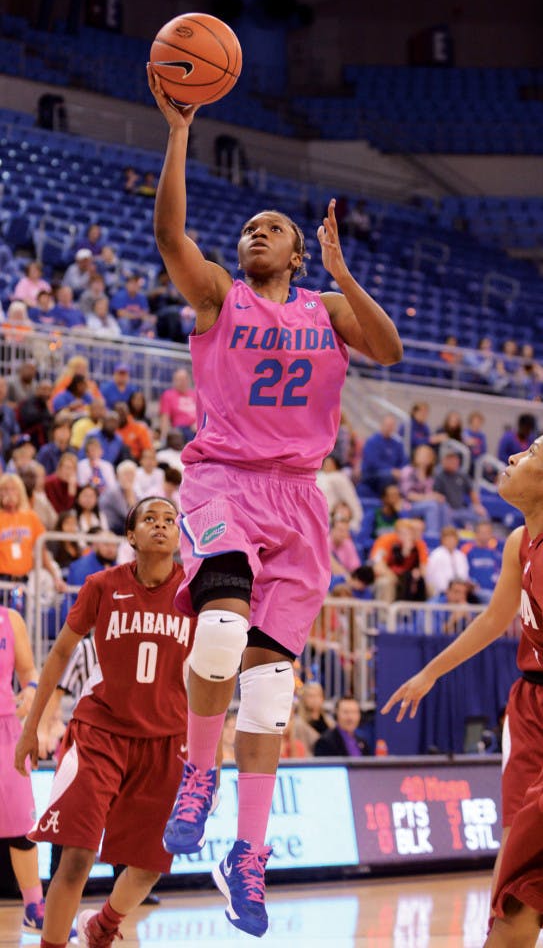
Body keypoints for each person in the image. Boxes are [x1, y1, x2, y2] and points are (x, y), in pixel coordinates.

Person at [147, 66, 402, 938]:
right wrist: (180, 131)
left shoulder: (325, 310)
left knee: (270, 696)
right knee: (217, 629)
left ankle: (244, 859)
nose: (256, 233)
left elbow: (390, 349)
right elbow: (170, 233)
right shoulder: (219, 296)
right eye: (249, 226)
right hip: (225, 479)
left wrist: (340, 272)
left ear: (295, 253)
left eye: (273, 229)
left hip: (298, 500)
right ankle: (195, 775)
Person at [380, 436, 543, 946]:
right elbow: (496, 619)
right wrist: (432, 671)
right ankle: (500, 932)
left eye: (534, 453)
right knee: (516, 843)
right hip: (530, 706)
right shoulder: (520, 541)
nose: (514, 457)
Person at [14, 497, 195, 948]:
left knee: (150, 866)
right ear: (130, 537)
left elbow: (221, 668)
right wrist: (30, 727)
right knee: (75, 857)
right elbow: (59, 654)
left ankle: (105, 924)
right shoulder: (101, 585)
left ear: (179, 535)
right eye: (149, 519)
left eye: (170, 520)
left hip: (166, 741)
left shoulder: (198, 592)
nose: (161, 526)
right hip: (100, 734)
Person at [1, 603, 74, 938]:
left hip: (7, 731)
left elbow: (30, 673)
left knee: (21, 822)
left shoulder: (10, 619)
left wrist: (29, 694)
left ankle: (34, 907)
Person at [360, 414, 407, 496]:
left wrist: (400, 471)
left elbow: (403, 460)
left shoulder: (397, 444)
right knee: (387, 476)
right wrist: (391, 470)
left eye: (391, 425)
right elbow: (372, 463)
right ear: (382, 425)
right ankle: (384, 500)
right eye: (387, 425)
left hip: (393, 474)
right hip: (372, 474)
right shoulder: (372, 441)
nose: (389, 428)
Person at [425, 525, 470, 597]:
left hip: (461, 593)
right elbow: (434, 578)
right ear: (442, 540)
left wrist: (460, 589)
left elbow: (464, 575)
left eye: (453, 539)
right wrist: (449, 591)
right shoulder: (436, 555)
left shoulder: (461, 556)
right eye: (448, 539)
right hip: (442, 593)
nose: (451, 541)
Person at [158, 367, 197, 443]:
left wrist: (198, 424)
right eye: (180, 379)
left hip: (197, 428)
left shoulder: (195, 395)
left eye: (185, 379)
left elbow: (203, 415)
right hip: (181, 430)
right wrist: (163, 438)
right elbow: (165, 418)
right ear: (174, 381)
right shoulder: (168, 395)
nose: (183, 382)